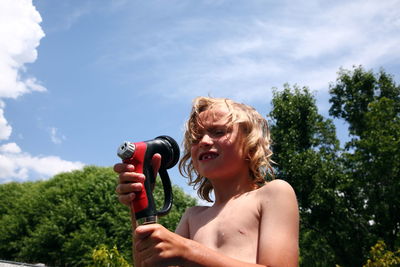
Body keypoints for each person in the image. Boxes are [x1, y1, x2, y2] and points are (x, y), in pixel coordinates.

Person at [114, 97, 299, 267]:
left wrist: (189, 251)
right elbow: (148, 263)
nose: (204, 141)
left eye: (218, 132)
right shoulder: (192, 217)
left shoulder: (273, 194)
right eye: (196, 138)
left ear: (250, 145)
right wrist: (139, 199)